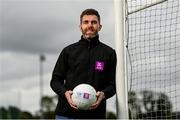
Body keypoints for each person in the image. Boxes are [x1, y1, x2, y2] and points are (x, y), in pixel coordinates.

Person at [50, 8, 117, 119]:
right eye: (86, 22)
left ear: (100, 26)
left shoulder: (109, 53)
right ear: (80, 26)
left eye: (94, 22)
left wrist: (103, 95)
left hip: (95, 116)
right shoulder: (68, 51)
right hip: (66, 115)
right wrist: (65, 93)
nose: (89, 25)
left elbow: (112, 85)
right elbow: (55, 81)